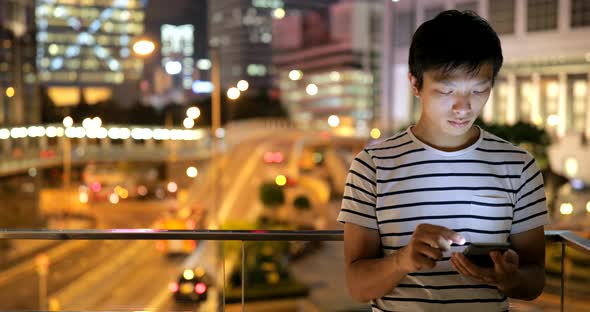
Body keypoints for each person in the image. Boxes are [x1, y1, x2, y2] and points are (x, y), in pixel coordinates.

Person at [338, 10, 548, 312]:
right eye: (446, 91)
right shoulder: (372, 166)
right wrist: (402, 260)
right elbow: (357, 286)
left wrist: (510, 279)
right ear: (415, 84)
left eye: (479, 90)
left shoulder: (519, 166)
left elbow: (535, 279)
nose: (464, 107)